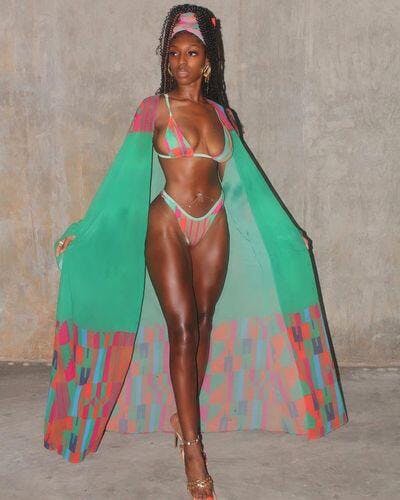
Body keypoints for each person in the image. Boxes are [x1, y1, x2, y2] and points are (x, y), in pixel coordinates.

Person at [45, 5, 348, 499]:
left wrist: (287, 231)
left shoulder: (222, 117)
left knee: (204, 320)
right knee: (182, 327)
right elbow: (123, 174)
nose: (181, 62)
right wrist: (90, 226)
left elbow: (247, 183)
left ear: (207, 62)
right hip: (167, 219)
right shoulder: (153, 109)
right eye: (173, 53)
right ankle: (193, 449)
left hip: (214, 224)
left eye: (191, 53)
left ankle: (182, 416)